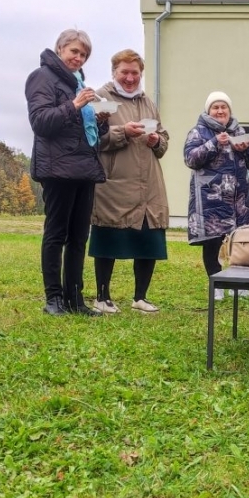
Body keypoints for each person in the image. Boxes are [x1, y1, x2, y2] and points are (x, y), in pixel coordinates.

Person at [27, 30, 108, 317]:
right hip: (57, 168)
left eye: (83, 54)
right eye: (74, 51)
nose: (78, 58)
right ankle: (54, 299)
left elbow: (85, 133)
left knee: (78, 237)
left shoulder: (79, 83)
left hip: (84, 168)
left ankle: (75, 299)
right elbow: (41, 122)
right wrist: (75, 104)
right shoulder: (42, 77)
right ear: (60, 49)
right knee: (56, 234)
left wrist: (101, 121)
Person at [89, 49, 168, 314]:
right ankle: (102, 296)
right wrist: (123, 131)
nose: (130, 78)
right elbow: (92, 138)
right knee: (108, 237)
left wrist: (158, 140)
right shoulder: (101, 97)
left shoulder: (147, 102)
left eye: (135, 73)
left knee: (148, 240)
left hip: (148, 183)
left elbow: (163, 136)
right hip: (114, 182)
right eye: (125, 72)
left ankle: (140, 297)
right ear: (114, 73)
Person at [185, 91, 249, 300]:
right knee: (212, 242)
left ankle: (241, 285)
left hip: (239, 200)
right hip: (211, 199)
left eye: (224, 107)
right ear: (208, 111)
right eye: (215, 107)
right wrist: (215, 143)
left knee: (243, 242)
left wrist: (247, 149)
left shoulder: (239, 130)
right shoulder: (198, 132)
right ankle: (216, 283)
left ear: (229, 110)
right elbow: (190, 159)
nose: (220, 111)